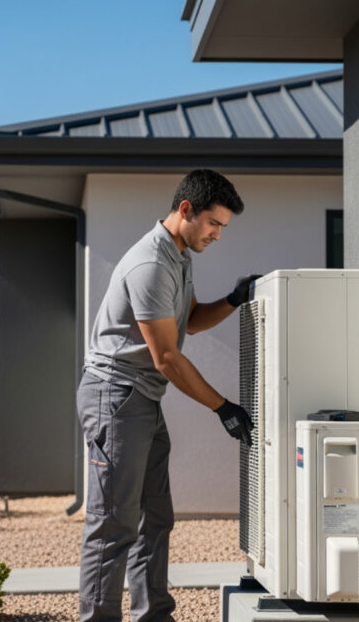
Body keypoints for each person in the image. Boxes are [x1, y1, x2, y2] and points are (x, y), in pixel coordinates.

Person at [77, 169, 258, 621]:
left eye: (223, 228)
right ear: (185, 211)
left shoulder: (178, 256)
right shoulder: (151, 263)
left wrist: (233, 300)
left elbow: (189, 319)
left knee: (154, 519)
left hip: (140, 400)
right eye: (214, 224)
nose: (217, 235)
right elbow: (167, 358)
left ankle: (153, 615)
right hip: (115, 398)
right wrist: (224, 407)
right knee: (113, 525)